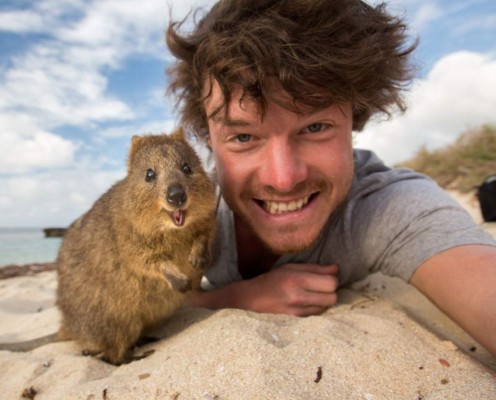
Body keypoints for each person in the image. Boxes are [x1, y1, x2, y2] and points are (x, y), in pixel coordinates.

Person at [165, 0, 496, 355]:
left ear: (354, 119)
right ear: (209, 140)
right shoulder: (185, 209)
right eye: (244, 137)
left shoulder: (384, 206)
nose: (283, 179)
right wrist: (235, 297)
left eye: (315, 127)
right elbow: (118, 297)